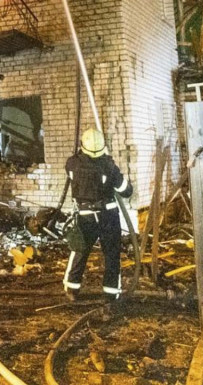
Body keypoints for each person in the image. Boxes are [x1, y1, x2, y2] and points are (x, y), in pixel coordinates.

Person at [62, 128, 133, 301]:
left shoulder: (71, 163)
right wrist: (112, 168)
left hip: (84, 215)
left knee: (79, 250)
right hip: (107, 216)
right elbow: (126, 191)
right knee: (111, 254)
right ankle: (110, 294)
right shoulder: (108, 166)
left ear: (82, 145)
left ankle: (72, 289)